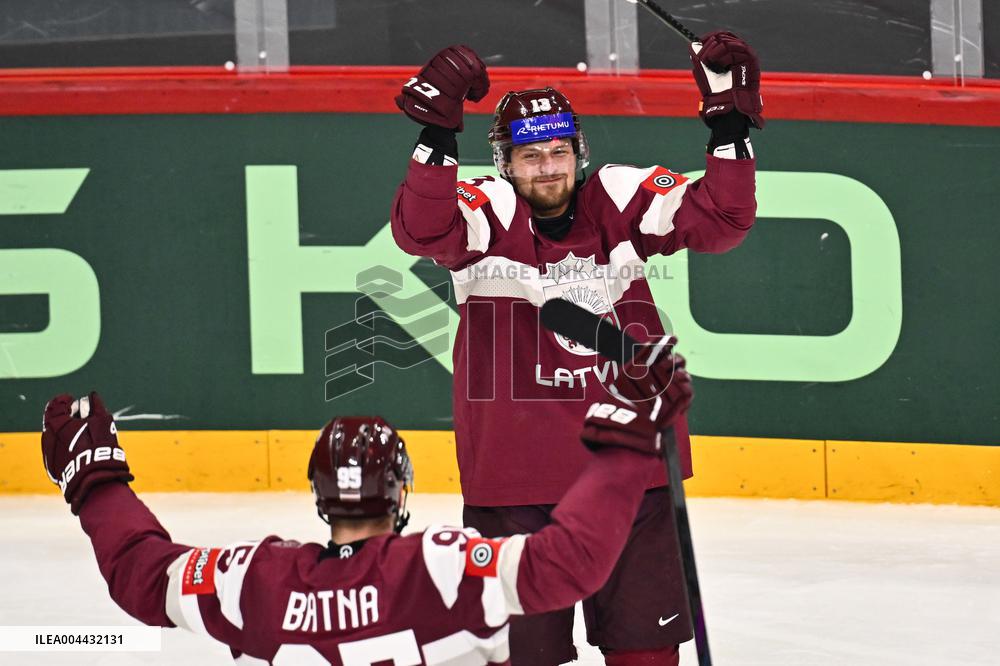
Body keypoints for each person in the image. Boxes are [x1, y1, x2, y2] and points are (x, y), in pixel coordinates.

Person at [391, 34, 761, 665]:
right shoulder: (489, 207)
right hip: (515, 488)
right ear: (505, 162)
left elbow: (723, 220)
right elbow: (421, 230)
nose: (548, 166)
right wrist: (435, 139)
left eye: (559, 150)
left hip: (630, 476)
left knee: (646, 654)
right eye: (529, 154)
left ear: (579, 153)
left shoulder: (616, 197)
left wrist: (729, 126)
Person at [40, 338, 692, 665]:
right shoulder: (445, 567)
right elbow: (572, 560)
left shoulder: (250, 582)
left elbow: (141, 574)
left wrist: (95, 482)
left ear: (320, 494)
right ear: (401, 490)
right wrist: (627, 443)